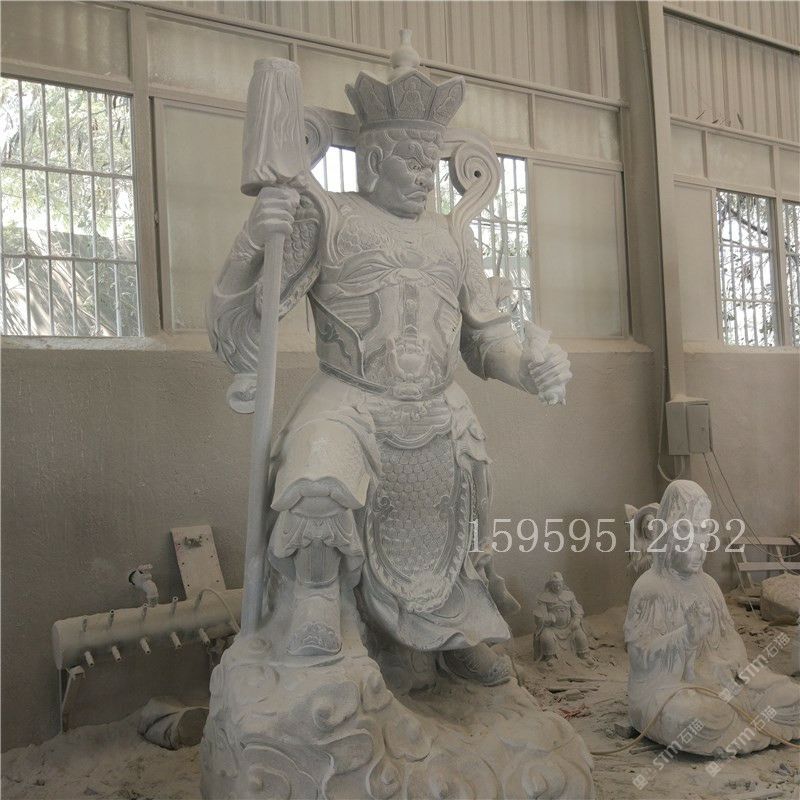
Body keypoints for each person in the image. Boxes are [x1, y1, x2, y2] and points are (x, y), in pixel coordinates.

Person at [207, 33, 572, 687]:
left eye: (431, 162)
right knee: (316, 469)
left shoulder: (452, 237)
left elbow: (486, 340)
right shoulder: (329, 217)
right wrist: (254, 238)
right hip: (349, 394)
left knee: (464, 476)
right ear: (373, 160)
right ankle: (318, 609)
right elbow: (252, 316)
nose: (426, 175)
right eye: (412, 161)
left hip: (436, 399)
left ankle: (452, 633)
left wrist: (530, 369)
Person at [624, 480, 800, 755]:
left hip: (723, 683)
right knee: (694, 717)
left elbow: (732, 641)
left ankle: (740, 721)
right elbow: (640, 657)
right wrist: (686, 637)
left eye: (703, 532)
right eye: (688, 533)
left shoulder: (709, 585)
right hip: (671, 689)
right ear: (669, 535)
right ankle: (737, 722)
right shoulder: (649, 588)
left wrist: (728, 667)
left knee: (790, 695)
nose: (699, 545)